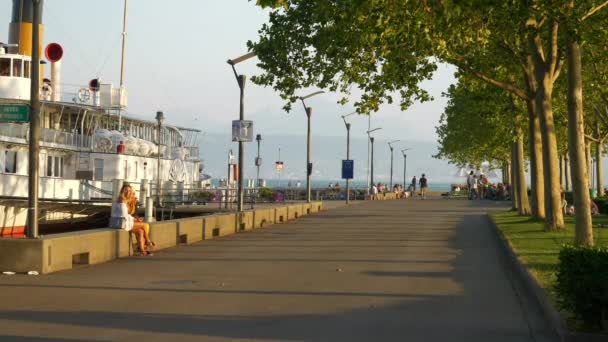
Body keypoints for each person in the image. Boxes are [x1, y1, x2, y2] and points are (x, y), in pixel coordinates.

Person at [109, 183, 155, 256]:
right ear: (122, 191)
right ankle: (148, 241)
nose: (128, 192)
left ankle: (142, 251)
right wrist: (134, 219)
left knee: (140, 232)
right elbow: (124, 215)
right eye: (126, 190)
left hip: (124, 222)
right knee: (145, 225)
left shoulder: (127, 200)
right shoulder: (122, 200)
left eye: (129, 191)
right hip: (122, 223)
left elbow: (129, 214)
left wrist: (135, 219)